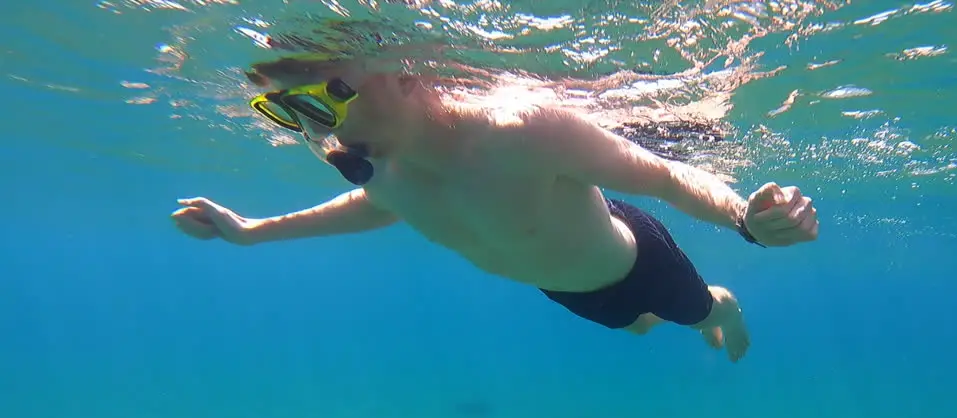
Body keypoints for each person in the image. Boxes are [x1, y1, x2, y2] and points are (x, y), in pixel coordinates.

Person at [171, 56, 819, 362]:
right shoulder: (390, 172)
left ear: (403, 75)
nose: (316, 132)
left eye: (319, 99)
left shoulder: (520, 131)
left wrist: (745, 220)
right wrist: (250, 233)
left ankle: (726, 313)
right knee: (638, 330)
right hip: (565, 288)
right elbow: (365, 208)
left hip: (635, 261)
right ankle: (661, 320)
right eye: (285, 114)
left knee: (695, 312)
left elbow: (664, 174)